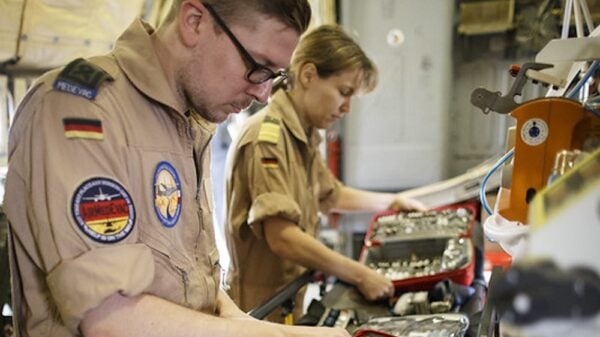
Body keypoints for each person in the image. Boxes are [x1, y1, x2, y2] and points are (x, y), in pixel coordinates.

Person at [3, 1, 351, 336]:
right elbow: (110, 321)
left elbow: (195, 281)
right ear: (194, 21)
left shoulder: (187, 120)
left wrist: (256, 326)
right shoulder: (83, 109)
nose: (263, 94)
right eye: (257, 66)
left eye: (273, 76)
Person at [224, 25, 427, 322]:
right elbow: (282, 236)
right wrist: (360, 275)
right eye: (343, 92)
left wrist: (391, 202)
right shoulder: (267, 139)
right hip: (259, 310)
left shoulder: (302, 134)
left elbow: (330, 195)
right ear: (308, 75)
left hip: (288, 299)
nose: (347, 107)